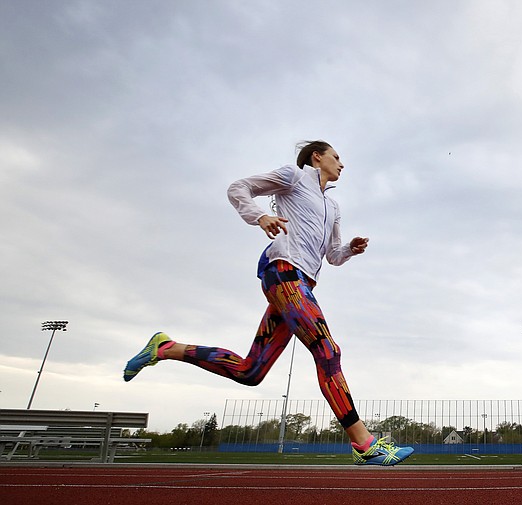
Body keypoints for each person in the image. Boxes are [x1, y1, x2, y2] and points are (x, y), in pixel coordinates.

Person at [123, 140, 413, 466]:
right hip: (284, 274)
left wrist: (350, 249)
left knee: (252, 371)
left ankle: (166, 347)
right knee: (327, 350)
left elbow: (332, 256)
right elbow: (239, 188)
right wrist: (260, 216)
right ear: (317, 157)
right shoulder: (294, 176)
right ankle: (364, 443)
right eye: (336, 156)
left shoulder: (333, 207)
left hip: (302, 285)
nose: (341, 163)